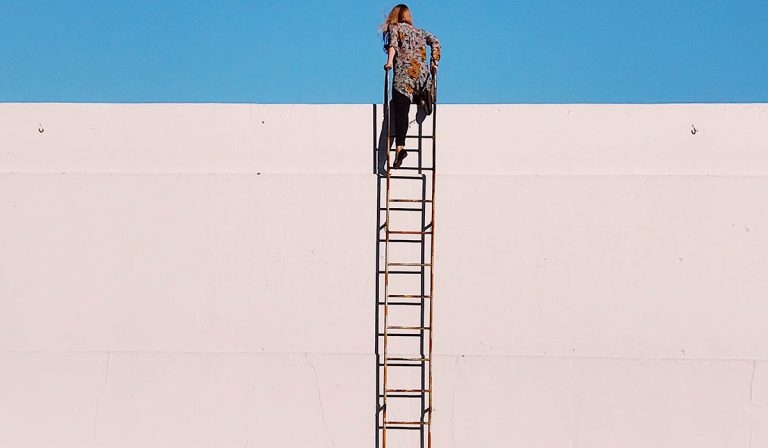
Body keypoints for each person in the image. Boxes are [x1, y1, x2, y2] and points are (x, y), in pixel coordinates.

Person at [382, 4, 441, 169]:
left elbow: (393, 45)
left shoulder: (395, 28)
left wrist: (389, 63)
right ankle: (424, 97)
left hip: (404, 78)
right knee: (417, 89)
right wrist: (434, 63)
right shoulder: (421, 32)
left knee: (401, 110)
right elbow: (436, 42)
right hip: (422, 77)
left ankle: (400, 147)